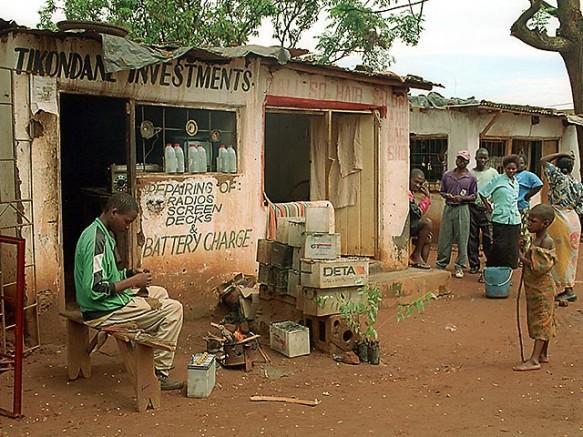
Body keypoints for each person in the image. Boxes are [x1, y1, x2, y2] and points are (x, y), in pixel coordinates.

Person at [74, 192, 184, 390]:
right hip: (101, 310)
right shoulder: (96, 240)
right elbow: (95, 288)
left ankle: (146, 354)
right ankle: (157, 373)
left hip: (108, 303)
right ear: (114, 212)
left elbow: (108, 276)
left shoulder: (104, 233)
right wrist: (134, 281)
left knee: (159, 293)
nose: (127, 227)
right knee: (174, 309)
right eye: (127, 221)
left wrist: (129, 274)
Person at [513, 204, 557, 372]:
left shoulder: (546, 241)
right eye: (529, 220)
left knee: (541, 321)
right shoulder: (536, 239)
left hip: (542, 289)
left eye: (533, 221)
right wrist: (523, 248)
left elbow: (538, 267)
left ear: (545, 223)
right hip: (534, 289)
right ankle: (543, 354)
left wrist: (519, 256)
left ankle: (534, 359)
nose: (529, 223)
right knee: (542, 319)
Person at [540, 151, 583, 302]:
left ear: (558, 166)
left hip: (559, 219)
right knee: (570, 256)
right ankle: (568, 287)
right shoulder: (578, 184)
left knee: (554, 253)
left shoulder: (557, 177)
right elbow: (581, 208)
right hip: (573, 220)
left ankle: (559, 287)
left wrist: (561, 153)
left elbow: (543, 160)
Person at [435, 150, 478, 278]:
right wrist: (446, 195)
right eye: (459, 158)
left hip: (462, 208)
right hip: (449, 208)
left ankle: (460, 265)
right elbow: (442, 191)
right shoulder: (447, 175)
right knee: (444, 237)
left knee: (462, 238)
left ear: (468, 162)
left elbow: (474, 196)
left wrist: (462, 198)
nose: (460, 161)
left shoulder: (471, 178)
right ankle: (441, 263)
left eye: (463, 160)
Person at [479, 154, 521, 269]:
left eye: (513, 169)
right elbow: (483, 193)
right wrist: (489, 207)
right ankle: (492, 270)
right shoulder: (497, 180)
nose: (511, 171)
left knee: (512, 247)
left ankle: (507, 273)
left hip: (514, 220)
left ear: (517, 169)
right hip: (500, 219)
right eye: (508, 168)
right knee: (499, 247)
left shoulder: (516, 182)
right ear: (504, 168)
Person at [468, 148, 498, 275]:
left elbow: (497, 188)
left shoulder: (493, 173)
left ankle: (490, 263)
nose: (483, 160)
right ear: (476, 158)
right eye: (481, 157)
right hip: (473, 208)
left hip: (488, 209)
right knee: (472, 237)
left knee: (488, 237)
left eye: (485, 158)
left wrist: (492, 204)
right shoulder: (471, 174)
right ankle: (474, 265)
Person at [516, 155, 543, 247]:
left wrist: (527, 195)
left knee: (524, 231)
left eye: (522, 163)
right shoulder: (512, 174)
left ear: (525, 165)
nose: (519, 165)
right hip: (512, 208)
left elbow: (539, 184)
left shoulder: (528, 175)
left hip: (522, 207)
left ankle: (526, 253)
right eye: (517, 163)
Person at [408, 168, 433, 269]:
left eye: (420, 183)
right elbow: (417, 213)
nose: (418, 185)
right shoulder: (406, 192)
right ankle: (416, 255)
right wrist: (427, 198)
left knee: (427, 238)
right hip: (402, 226)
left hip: (408, 223)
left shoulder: (411, 193)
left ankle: (420, 263)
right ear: (409, 179)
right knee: (427, 223)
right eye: (416, 182)